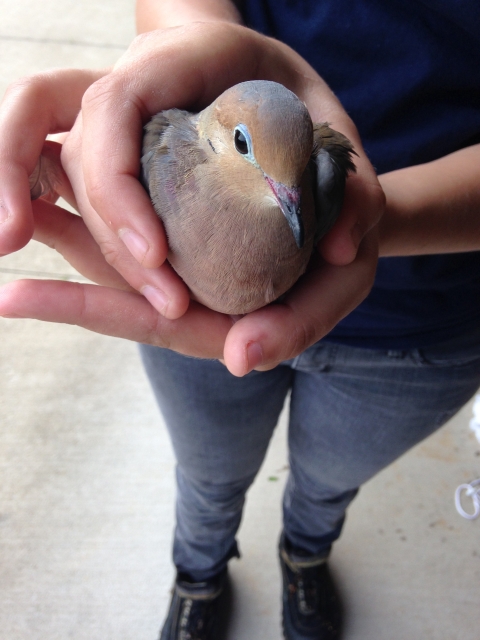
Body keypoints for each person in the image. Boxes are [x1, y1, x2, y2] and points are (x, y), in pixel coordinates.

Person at [1, 1, 480, 639]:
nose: (288, 198)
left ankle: (304, 553)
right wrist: (190, 44)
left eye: (297, 182)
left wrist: (367, 221)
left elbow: (304, 186)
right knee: (208, 476)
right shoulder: (171, 156)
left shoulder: (315, 179)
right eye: (254, 155)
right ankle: (198, 573)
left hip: (424, 329)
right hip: (198, 321)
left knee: (328, 483)